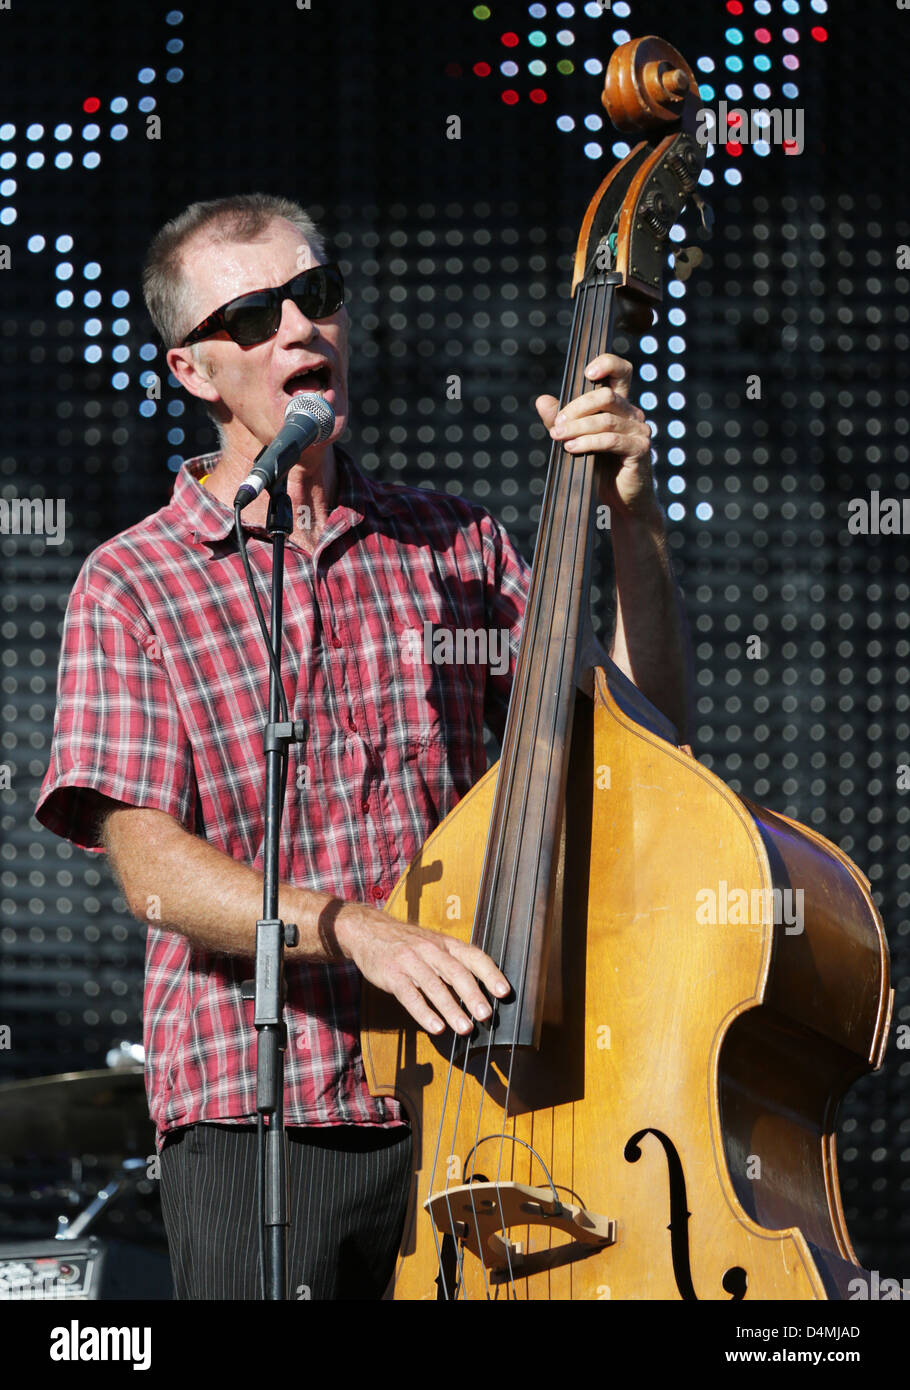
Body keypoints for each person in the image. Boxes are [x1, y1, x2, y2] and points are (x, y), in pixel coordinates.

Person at [36, 193, 691, 1299]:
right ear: (193, 372)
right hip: (261, 1105)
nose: (299, 327)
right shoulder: (130, 581)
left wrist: (632, 521)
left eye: (317, 296)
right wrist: (353, 931)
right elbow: (147, 866)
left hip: (480, 1090)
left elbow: (641, 742)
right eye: (253, 316)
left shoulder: (456, 541)